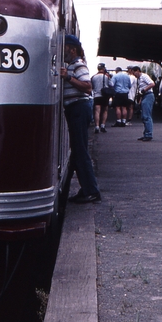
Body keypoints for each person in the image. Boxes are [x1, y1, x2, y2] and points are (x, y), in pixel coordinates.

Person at [60, 34, 101, 203]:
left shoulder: (79, 66)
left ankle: (91, 191)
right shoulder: (72, 65)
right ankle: (86, 189)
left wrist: (68, 78)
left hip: (78, 108)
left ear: (73, 49)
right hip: (75, 109)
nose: (63, 51)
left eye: (65, 48)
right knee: (78, 150)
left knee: (81, 150)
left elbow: (88, 87)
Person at [132, 66, 155, 141]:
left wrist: (144, 90)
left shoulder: (144, 76)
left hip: (148, 95)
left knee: (146, 116)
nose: (134, 75)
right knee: (143, 116)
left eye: (134, 72)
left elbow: (152, 84)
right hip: (144, 96)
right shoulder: (138, 79)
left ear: (138, 71)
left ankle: (148, 134)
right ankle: (146, 133)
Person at [90, 63, 111, 133]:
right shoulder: (106, 76)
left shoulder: (93, 77)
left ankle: (96, 126)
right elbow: (111, 85)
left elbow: (91, 86)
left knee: (97, 111)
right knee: (105, 110)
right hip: (105, 96)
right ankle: (103, 125)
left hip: (96, 95)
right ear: (104, 68)